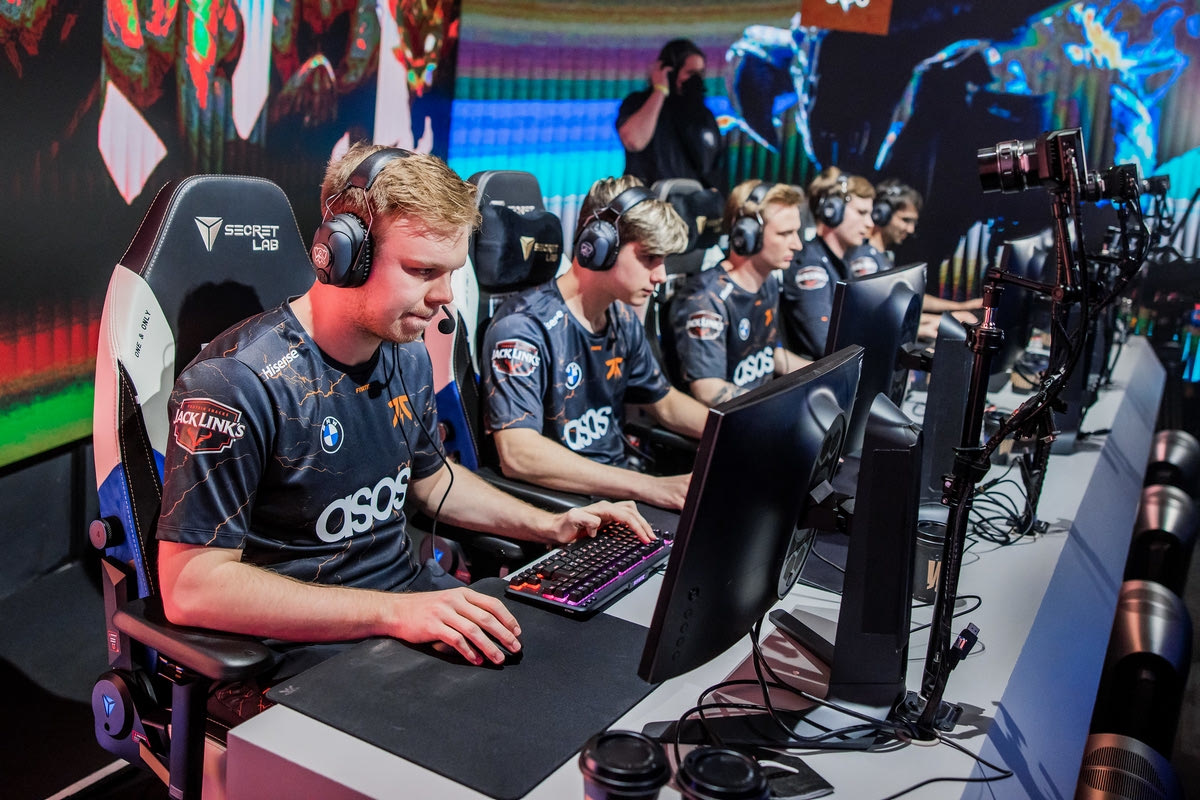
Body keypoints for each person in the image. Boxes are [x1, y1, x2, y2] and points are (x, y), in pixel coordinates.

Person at [156, 144, 656, 682]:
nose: (444, 297)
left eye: (451, 273)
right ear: (345, 254)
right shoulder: (235, 383)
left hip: (406, 614)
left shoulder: (406, 354)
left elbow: (432, 480)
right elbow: (192, 588)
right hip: (304, 657)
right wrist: (393, 613)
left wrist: (550, 525)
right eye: (422, 270)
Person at [481, 176, 709, 512]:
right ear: (599, 244)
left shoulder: (621, 317)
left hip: (620, 492)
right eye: (649, 257)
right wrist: (651, 487)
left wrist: (736, 433)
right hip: (569, 508)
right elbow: (519, 454)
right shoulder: (524, 329)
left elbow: (666, 404)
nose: (660, 275)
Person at [666, 180, 810, 406]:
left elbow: (769, 354)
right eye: (785, 234)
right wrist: (775, 407)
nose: (797, 244)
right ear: (747, 233)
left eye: (796, 232)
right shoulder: (706, 300)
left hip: (761, 410)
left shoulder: (768, 282)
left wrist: (826, 374)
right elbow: (708, 390)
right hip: (734, 421)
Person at [847, 178, 982, 337]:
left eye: (913, 223)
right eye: (905, 220)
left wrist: (960, 307)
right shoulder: (866, 260)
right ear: (881, 215)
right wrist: (941, 321)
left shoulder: (882, 256)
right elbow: (878, 315)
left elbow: (910, 300)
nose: (911, 229)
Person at [779, 167, 876, 359]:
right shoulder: (811, 267)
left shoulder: (839, 262)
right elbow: (827, 345)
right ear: (832, 211)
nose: (870, 223)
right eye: (861, 212)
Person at [616, 38, 725, 191]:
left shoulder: (705, 117)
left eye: (700, 73)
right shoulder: (639, 102)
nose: (696, 79)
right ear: (670, 72)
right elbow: (634, 141)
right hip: (650, 201)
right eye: (690, 73)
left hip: (692, 201)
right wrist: (660, 90)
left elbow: (713, 169)